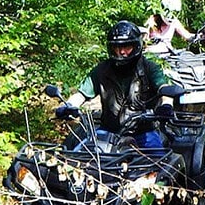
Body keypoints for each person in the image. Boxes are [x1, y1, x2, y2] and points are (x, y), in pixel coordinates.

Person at [55, 20, 175, 149]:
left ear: (136, 46)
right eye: (117, 47)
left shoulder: (149, 68)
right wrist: (69, 106)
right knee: (81, 157)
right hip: (108, 131)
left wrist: (166, 106)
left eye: (126, 47)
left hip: (143, 132)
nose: (121, 52)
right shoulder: (102, 70)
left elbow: (164, 89)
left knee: (160, 163)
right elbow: (82, 94)